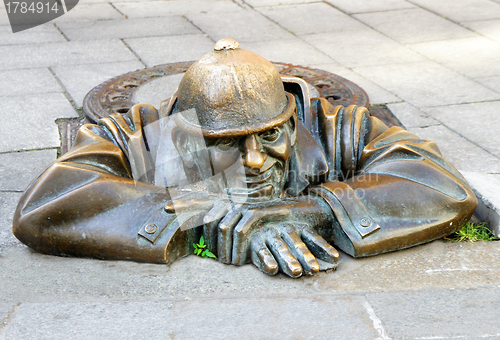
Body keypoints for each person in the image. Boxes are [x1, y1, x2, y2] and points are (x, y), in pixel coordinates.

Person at [12, 38, 478, 278]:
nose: (255, 160)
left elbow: (441, 183)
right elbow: (44, 205)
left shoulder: (335, 126)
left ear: (291, 119)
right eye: (226, 143)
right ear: (187, 134)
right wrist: (203, 214)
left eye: (271, 135)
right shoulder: (140, 135)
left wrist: (311, 210)